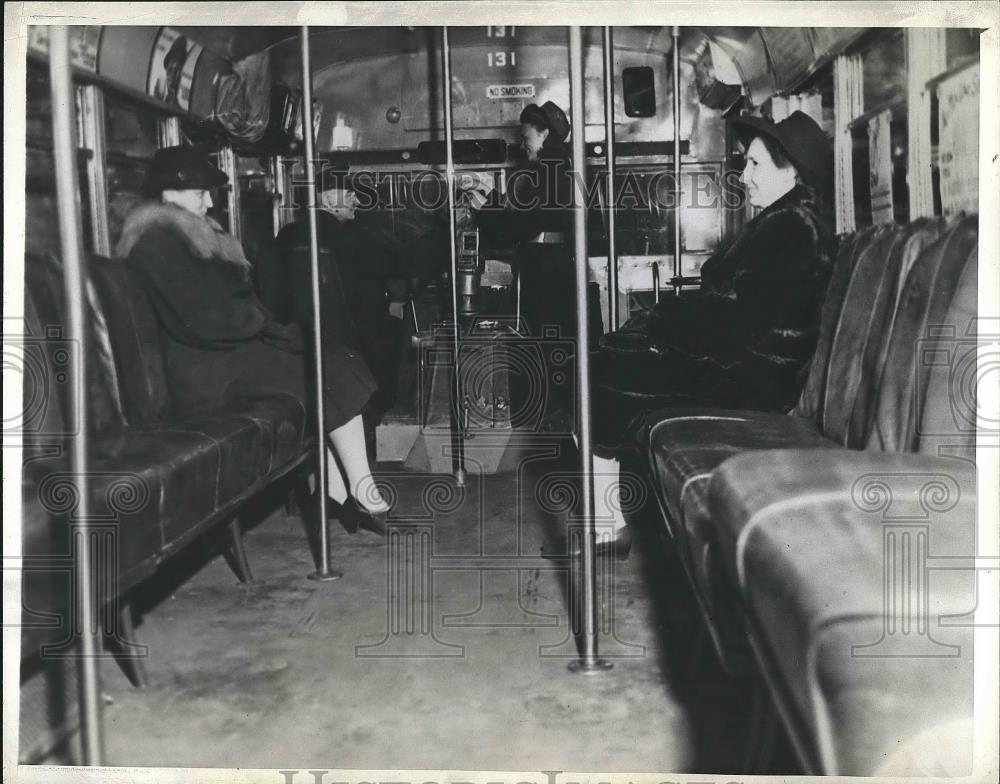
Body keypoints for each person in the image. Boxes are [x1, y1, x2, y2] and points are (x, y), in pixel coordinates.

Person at [574, 110, 835, 560]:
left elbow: (734, 325)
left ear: (790, 169)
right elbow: (732, 317)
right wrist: (656, 327)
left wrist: (660, 322)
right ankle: (606, 521)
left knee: (598, 374)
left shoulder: (790, 228)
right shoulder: (784, 221)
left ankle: (607, 525)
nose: (743, 177)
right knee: (606, 361)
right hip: (745, 367)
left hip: (755, 381)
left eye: (755, 165)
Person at [116, 145, 390, 535]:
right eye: (201, 193)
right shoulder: (157, 243)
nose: (210, 202)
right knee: (325, 366)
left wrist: (268, 327)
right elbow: (204, 321)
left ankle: (342, 493)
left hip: (218, 356)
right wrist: (268, 327)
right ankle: (361, 490)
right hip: (200, 371)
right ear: (169, 194)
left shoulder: (180, 236)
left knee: (334, 360)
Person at [264, 170, 446, 416]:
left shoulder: (285, 235)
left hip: (299, 346)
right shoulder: (350, 237)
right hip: (355, 351)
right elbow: (406, 263)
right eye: (350, 195)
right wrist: (446, 227)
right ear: (328, 200)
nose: (358, 202)